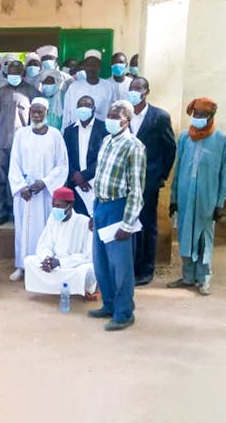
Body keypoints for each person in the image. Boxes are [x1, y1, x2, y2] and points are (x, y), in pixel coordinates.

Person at [89, 100, 146, 331]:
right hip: (101, 205)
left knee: (120, 266)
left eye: (116, 116)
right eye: (110, 115)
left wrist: (128, 223)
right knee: (101, 262)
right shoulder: (106, 140)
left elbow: (137, 189)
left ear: (126, 120)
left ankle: (124, 313)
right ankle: (109, 304)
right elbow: (100, 176)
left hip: (119, 209)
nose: (110, 119)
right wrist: (94, 212)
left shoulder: (134, 146)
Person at [168, 98, 226, 296]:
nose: (197, 118)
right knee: (185, 236)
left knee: (204, 238)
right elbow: (178, 170)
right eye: (195, 114)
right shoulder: (185, 137)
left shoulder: (222, 140)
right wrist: (173, 199)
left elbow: (225, 175)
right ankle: (188, 277)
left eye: (202, 116)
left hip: (207, 199)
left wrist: (220, 203)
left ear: (211, 117)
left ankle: (204, 279)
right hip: (185, 197)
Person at [8, 97, 68, 281]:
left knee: (45, 230)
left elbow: (62, 165)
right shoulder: (21, 134)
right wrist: (21, 187)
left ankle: (43, 265)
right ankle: (22, 266)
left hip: (46, 194)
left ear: (46, 113)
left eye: (39, 111)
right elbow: (14, 164)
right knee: (23, 230)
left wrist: (44, 183)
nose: (35, 114)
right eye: (33, 111)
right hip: (25, 194)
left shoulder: (55, 135)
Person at [127, 77, 176, 286]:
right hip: (126, 180)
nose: (134, 92)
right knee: (128, 223)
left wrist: (161, 176)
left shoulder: (159, 117)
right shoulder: (123, 114)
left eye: (138, 89)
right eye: (131, 89)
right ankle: (129, 266)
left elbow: (170, 148)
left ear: (147, 92)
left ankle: (146, 270)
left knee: (147, 224)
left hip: (149, 180)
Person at [0, 59, 39, 225]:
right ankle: (0, 212)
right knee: (0, 180)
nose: (14, 76)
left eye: (17, 73)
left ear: (23, 75)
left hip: (24, 144)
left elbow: (37, 119)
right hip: (1, 142)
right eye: (11, 73)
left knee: (21, 180)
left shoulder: (32, 92)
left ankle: (18, 212)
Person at [23, 187, 97, 297]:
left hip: (72, 267)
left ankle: (74, 288)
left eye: (59, 206)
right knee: (29, 261)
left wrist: (61, 262)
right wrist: (47, 259)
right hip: (54, 265)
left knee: (87, 272)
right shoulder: (52, 219)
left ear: (70, 206)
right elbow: (44, 245)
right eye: (53, 206)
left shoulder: (84, 222)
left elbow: (88, 255)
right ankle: (56, 287)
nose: (55, 209)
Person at [63, 95, 107, 217]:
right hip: (74, 184)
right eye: (80, 106)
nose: (83, 108)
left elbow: (104, 158)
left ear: (94, 108)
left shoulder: (104, 128)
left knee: (95, 219)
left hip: (95, 183)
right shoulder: (69, 131)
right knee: (78, 221)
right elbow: (65, 157)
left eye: (87, 105)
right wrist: (74, 175)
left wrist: (84, 176)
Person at [62, 49, 115, 132]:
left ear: (99, 66)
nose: (91, 68)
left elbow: (111, 112)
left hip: (100, 132)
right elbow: (67, 113)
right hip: (76, 131)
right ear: (84, 67)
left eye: (95, 65)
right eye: (89, 65)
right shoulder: (74, 87)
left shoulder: (108, 87)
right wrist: (64, 131)